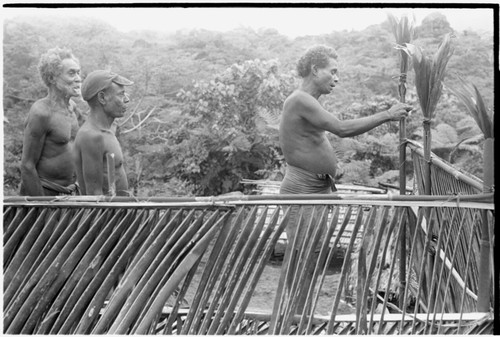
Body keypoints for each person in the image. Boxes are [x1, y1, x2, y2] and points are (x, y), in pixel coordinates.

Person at [278, 45, 412, 313]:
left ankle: (297, 313)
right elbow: (341, 128)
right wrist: (388, 114)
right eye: (333, 71)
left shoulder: (310, 102)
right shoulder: (300, 100)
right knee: (303, 256)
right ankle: (294, 316)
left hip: (316, 188)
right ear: (315, 70)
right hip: (303, 190)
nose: (337, 78)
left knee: (309, 255)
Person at [20, 47, 82, 196]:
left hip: (70, 194)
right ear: (52, 78)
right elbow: (27, 166)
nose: (78, 78)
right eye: (71, 73)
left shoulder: (72, 108)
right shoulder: (41, 112)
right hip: (46, 194)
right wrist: (43, 208)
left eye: (78, 72)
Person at [75, 70, 133, 196]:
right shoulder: (91, 136)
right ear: (102, 98)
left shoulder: (108, 130)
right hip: (107, 215)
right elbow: (94, 196)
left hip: (118, 213)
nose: (126, 99)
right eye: (121, 94)